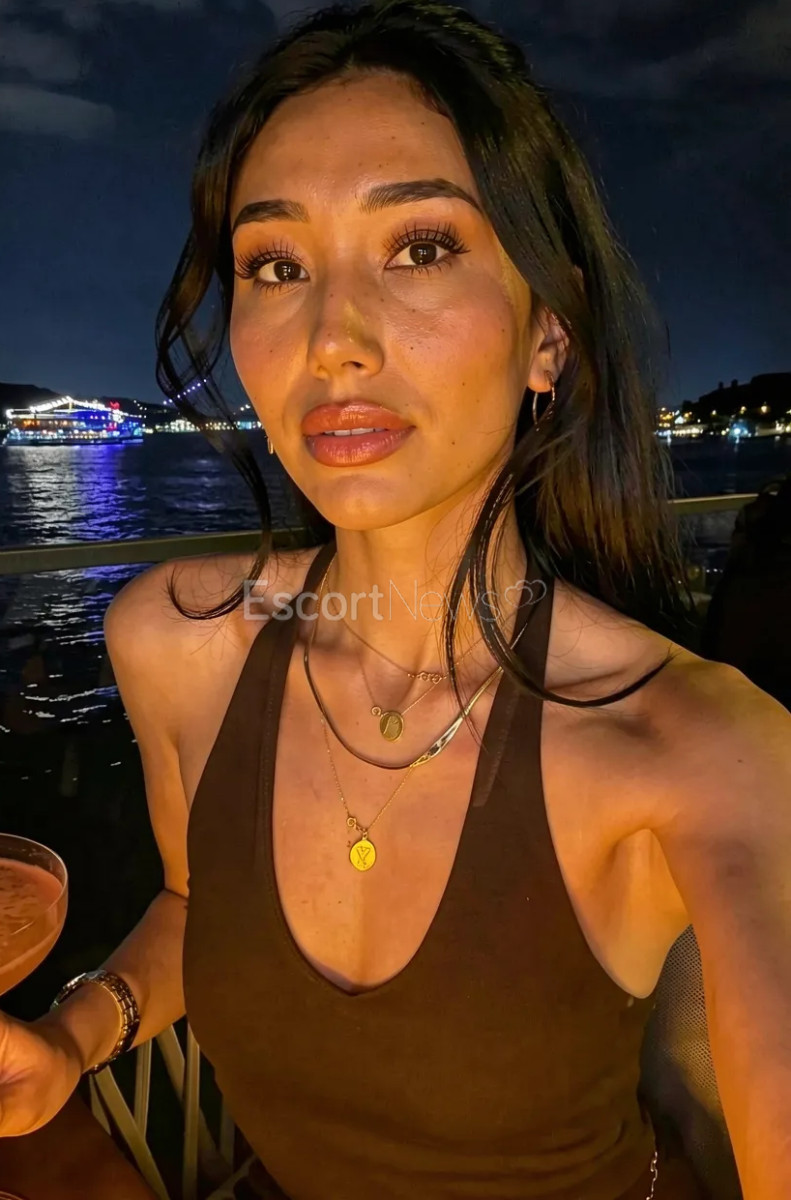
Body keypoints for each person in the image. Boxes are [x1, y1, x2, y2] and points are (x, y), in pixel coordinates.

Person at [2, 2, 791, 1196]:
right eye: (276, 265)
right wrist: (72, 1038)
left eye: (419, 247)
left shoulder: (701, 746)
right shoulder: (175, 642)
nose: (333, 338)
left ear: (548, 333)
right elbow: (195, 903)